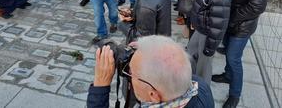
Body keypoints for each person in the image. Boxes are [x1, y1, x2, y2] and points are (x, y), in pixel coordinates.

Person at [212, 0, 267, 108]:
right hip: (230, 19)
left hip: (242, 25)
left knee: (234, 58)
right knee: (228, 50)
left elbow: (258, 6)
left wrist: (233, 16)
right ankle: (228, 75)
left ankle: (235, 94)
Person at [87, 35, 215, 108]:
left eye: (130, 73)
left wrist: (100, 86)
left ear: (153, 95)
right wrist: (150, 49)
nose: (129, 75)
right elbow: (172, 65)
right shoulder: (202, 87)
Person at [187, 0, 232, 85]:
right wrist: (194, 22)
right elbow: (199, 5)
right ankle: (190, 82)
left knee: (203, 66)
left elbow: (218, 26)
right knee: (190, 54)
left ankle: (202, 91)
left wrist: (210, 48)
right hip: (200, 29)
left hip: (208, 34)